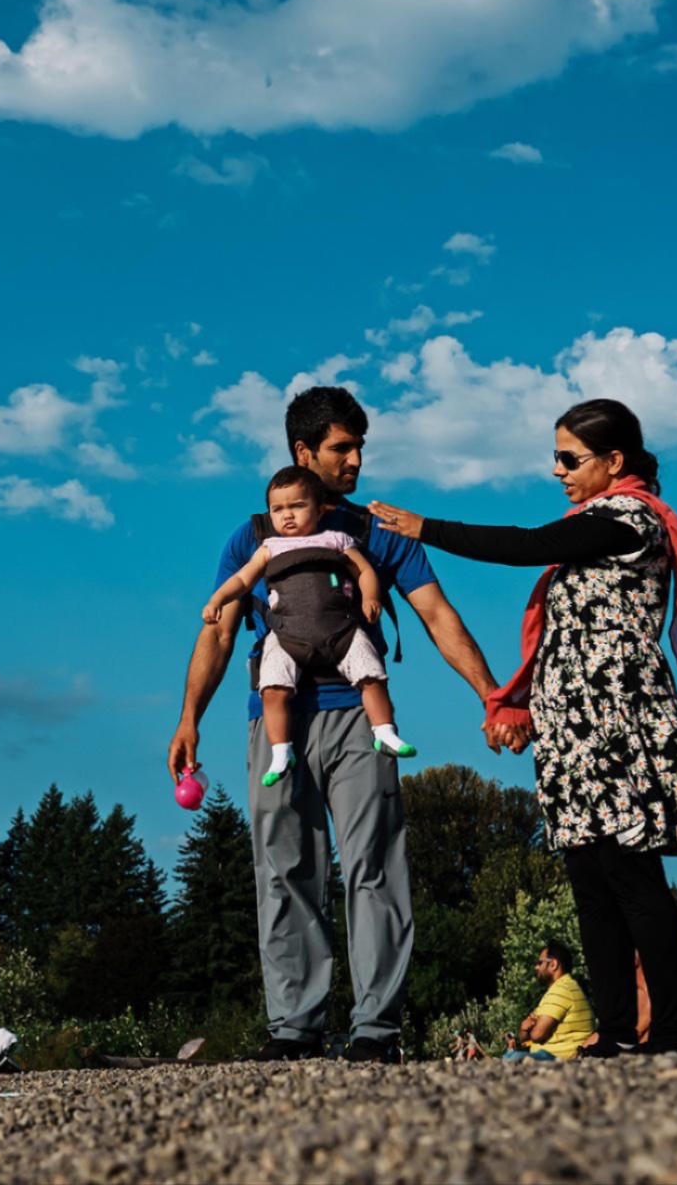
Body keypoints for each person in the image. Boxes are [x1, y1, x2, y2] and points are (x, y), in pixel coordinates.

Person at [369, 398, 677, 1058]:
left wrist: (423, 526)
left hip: (617, 720)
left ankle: (667, 1031)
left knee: (631, 872)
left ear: (614, 462)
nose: (556, 470)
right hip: (572, 727)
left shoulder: (628, 518)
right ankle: (612, 1030)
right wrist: (523, 706)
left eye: (569, 458)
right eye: (553, 456)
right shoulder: (591, 523)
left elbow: (527, 545)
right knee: (587, 873)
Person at [167, 386, 507, 1064]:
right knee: (283, 867)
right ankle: (295, 1023)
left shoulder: (376, 530)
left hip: (357, 715)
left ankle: (375, 1027)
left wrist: (491, 694)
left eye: (359, 447)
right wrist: (188, 718)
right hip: (277, 720)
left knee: (375, 863)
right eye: (341, 448)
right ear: (304, 452)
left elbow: (438, 614)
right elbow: (220, 629)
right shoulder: (253, 535)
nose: (355, 460)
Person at [204, 466, 417, 788]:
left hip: (340, 629)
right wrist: (217, 599)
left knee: (371, 676)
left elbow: (364, 572)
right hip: (286, 635)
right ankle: (280, 751)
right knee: (272, 689)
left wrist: (371, 597)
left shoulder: (336, 539)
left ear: (319, 509)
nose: (287, 515)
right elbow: (243, 579)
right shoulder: (269, 547)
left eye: (297, 506)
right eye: (278, 509)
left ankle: (385, 731)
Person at [502, 942, 595, 1061]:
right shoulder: (558, 990)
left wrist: (532, 1028)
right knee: (510, 1056)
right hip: (547, 1055)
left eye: (540, 963)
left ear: (553, 964)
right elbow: (524, 1038)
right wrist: (524, 1028)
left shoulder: (562, 990)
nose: (536, 967)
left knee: (512, 1058)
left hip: (558, 1057)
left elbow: (537, 1035)